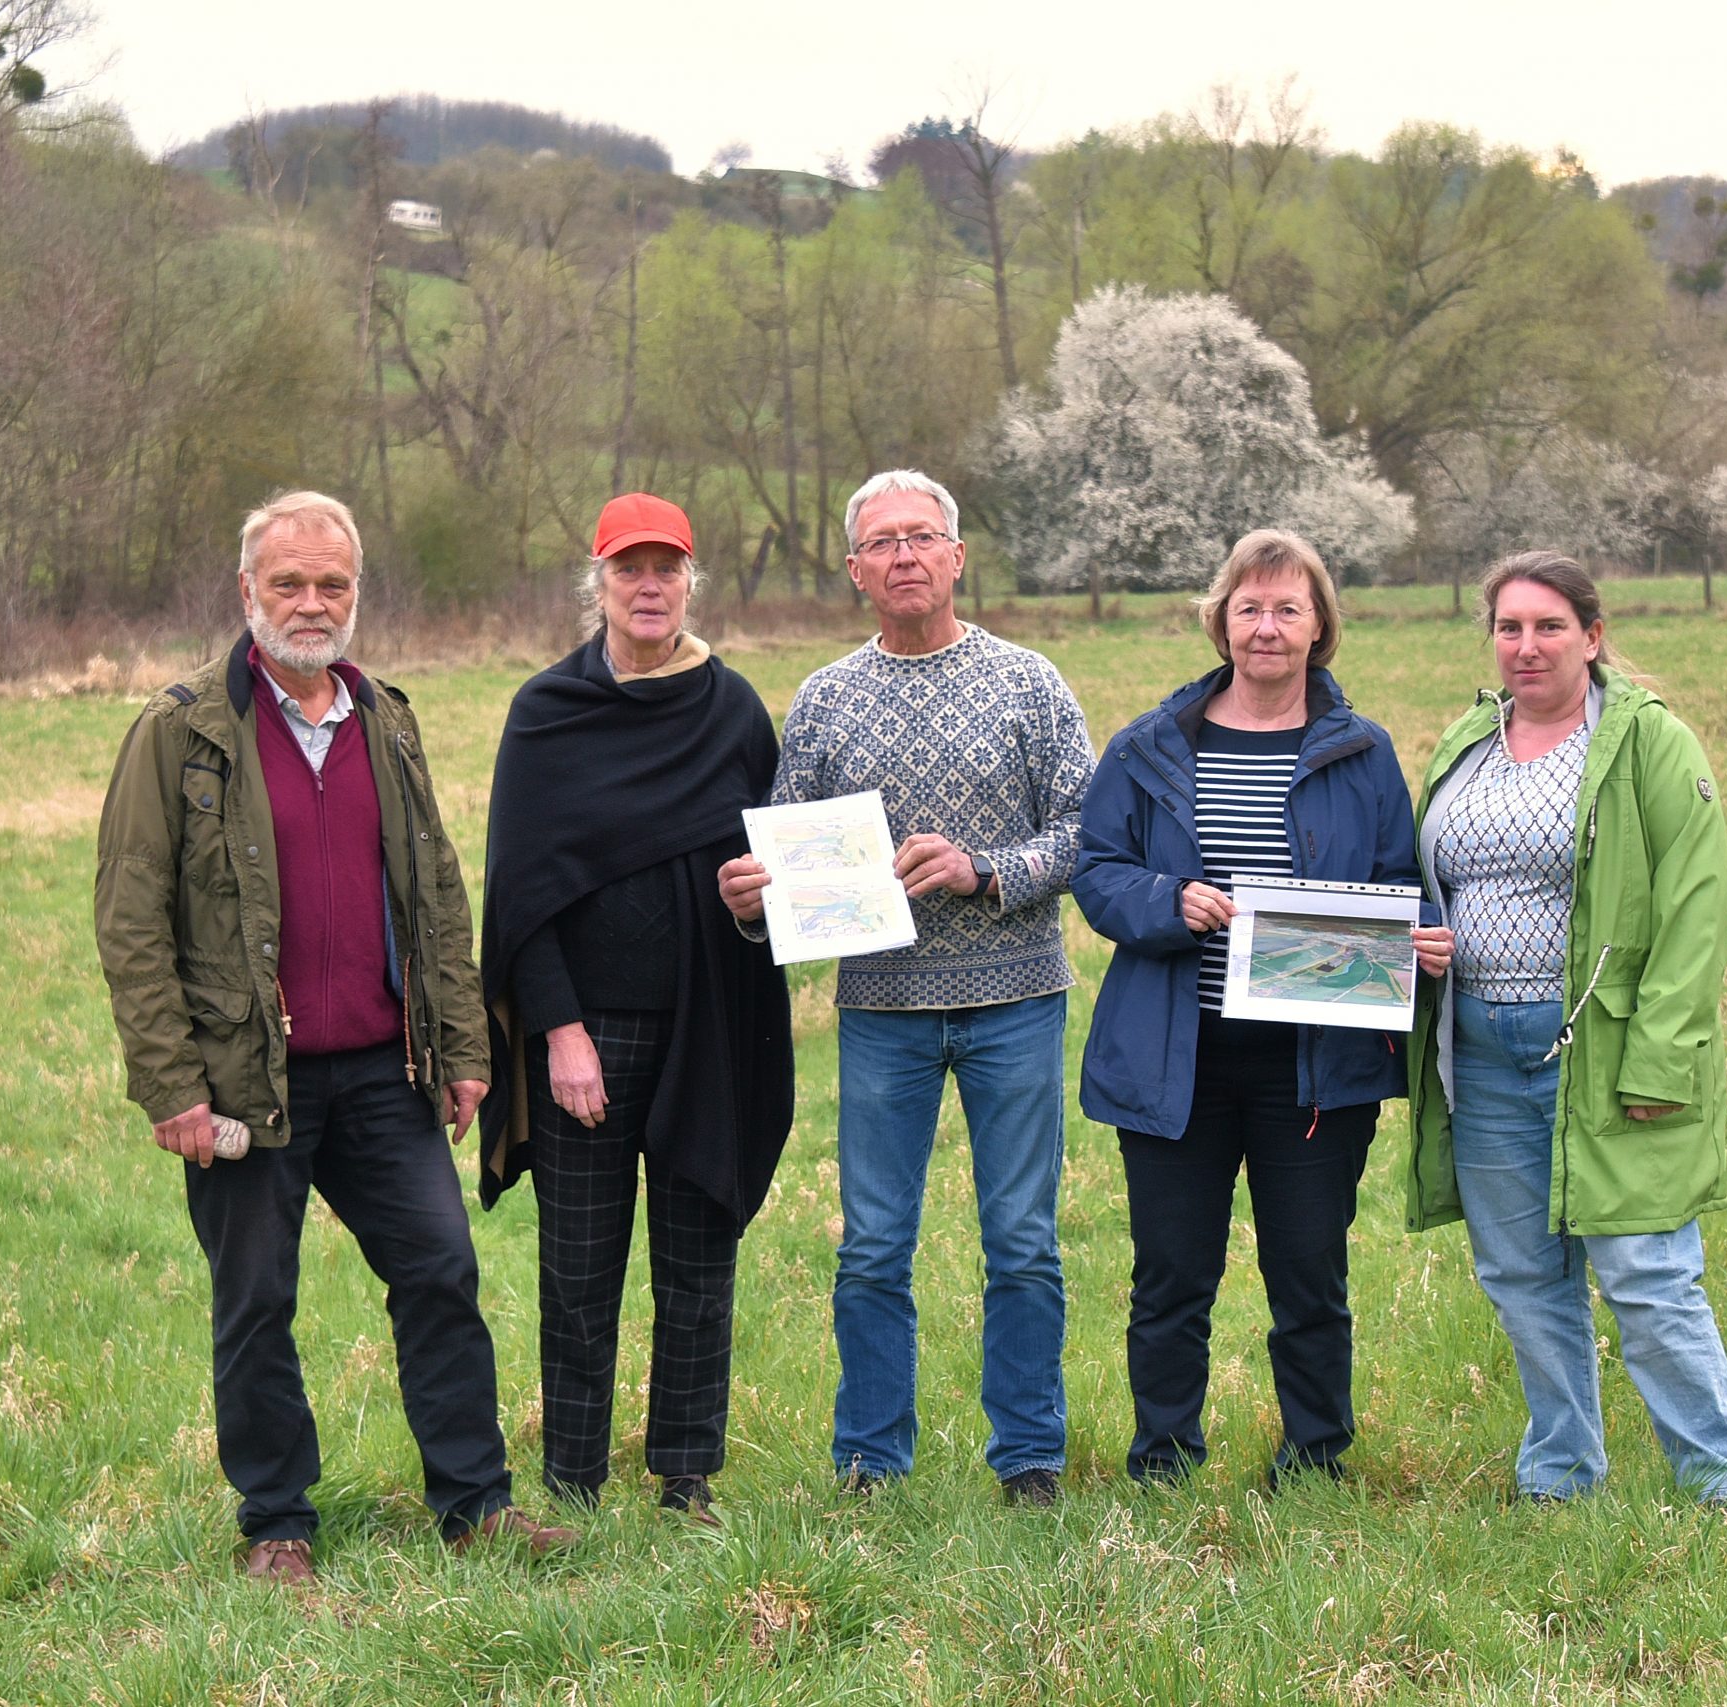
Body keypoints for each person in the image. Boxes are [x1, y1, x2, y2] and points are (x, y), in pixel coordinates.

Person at [93, 491, 574, 1583]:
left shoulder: (386, 719)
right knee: (257, 1303)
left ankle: (476, 1505)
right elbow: (130, 922)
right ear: (246, 591)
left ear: (357, 592)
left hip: (381, 1072)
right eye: (289, 583)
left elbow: (437, 896)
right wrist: (170, 1085)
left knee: (443, 1273)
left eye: (333, 585)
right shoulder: (181, 734)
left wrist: (460, 1048)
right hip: (243, 1086)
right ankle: (276, 1524)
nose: (312, 605)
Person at [716, 469, 1093, 1505]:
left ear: (958, 556)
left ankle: (1028, 1458)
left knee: (1020, 1240)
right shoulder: (827, 698)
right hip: (881, 1010)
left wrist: (987, 869)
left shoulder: (1028, 682)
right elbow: (787, 854)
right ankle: (870, 1461)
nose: (904, 556)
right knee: (875, 1247)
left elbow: (1089, 835)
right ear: (854, 571)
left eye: (922, 537)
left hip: (1015, 996)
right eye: (881, 543)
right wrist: (753, 897)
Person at [1073, 529, 1449, 1487]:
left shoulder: (1362, 753)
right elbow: (1097, 869)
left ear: (1319, 624)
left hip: (1314, 1064)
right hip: (1176, 1056)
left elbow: (1396, 880)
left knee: (1310, 1272)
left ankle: (1315, 1456)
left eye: (1288, 608)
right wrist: (1169, 901)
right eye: (1249, 608)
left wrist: (1412, 938)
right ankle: (1163, 1455)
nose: (1267, 627)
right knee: (1169, 1276)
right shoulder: (1151, 745)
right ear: (1221, 621)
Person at [1403, 549, 1727, 1503]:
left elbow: (1695, 909)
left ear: (1594, 637)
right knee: (1523, 1277)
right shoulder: (1464, 746)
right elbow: (1426, 882)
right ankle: (1561, 1469)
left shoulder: (1649, 743)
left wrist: (1660, 1058)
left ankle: (1725, 1477)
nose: (1527, 646)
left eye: (1550, 626)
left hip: (1602, 1049)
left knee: (1647, 1273)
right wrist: (1416, 943)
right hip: (1480, 1051)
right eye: (1510, 627)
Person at [474, 493, 792, 1528]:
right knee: (577, 1271)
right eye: (629, 569)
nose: (648, 586)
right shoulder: (547, 712)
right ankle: (571, 1476)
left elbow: (769, 874)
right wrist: (560, 1034)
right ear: (598, 581)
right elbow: (522, 893)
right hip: (586, 1035)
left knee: (697, 1261)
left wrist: (758, 904)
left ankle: (685, 1477)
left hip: (709, 1024)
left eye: (667, 568)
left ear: (691, 581)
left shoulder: (734, 710)